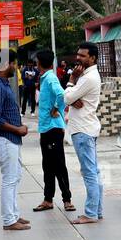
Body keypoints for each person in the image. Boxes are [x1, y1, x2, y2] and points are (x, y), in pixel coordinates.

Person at [0, 51, 31, 230]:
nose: (16, 67)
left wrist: (19, 126)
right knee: (10, 179)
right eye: (14, 64)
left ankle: (14, 214)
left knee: (15, 176)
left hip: (11, 138)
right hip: (4, 139)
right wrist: (17, 129)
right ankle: (9, 220)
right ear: (6, 65)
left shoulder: (2, 84)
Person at [63, 41, 103, 224]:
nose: (78, 58)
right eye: (77, 54)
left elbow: (67, 97)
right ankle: (97, 210)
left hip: (83, 131)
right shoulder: (86, 76)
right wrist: (73, 96)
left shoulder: (88, 77)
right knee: (94, 172)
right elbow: (72, 99)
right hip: (87, 129)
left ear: (92, 58)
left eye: (82, 55)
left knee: (89, 173)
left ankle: (90, 213)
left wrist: (71, 82)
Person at [31, 49, 74, 213]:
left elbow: (61, 95)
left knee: (58, 165)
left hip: (53, 128)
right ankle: (48, 199)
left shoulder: (50, 78)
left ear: (40, 63)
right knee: (47, 165)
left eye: (36, 62)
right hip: (45, 128)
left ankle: (67, 199)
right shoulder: (44, 78)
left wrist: (57, 108)